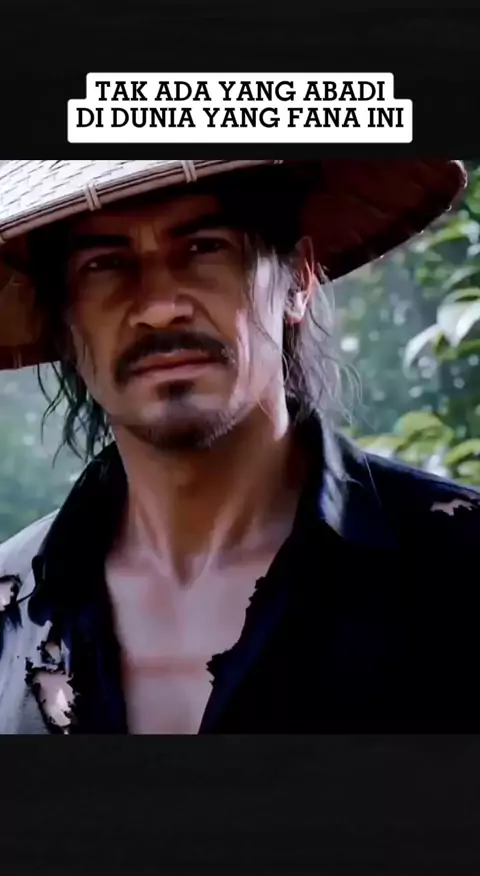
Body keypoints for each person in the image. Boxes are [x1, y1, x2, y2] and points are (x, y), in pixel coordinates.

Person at [0, 158, 478, 735]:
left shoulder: (459, 568)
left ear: (298, 280)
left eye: (205, 247)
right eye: (103, 264)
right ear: (62, 320)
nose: (159, 308)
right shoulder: (10, 611)